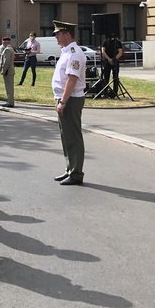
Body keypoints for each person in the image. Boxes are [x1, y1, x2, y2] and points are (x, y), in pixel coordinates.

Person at [52, 20, 87, 186]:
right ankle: (70, 169)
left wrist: (63, 101)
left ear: (67, 34)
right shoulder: (65, 51)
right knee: (66, 136)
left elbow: (72, 80)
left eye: (58, 34)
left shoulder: (75, 53)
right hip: (64, 98)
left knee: (73, 136)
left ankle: (76, 173)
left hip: (71, 99)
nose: (56, 37)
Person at [100, 34, 124, 98]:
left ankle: (114, 92)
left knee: (115, 77)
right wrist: (109, 59)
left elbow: (120, 52)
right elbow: (103, 51)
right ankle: (105, 92)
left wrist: (114, 59)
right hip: (107, 62)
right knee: (106, 77)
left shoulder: (117, 42)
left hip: (115, 62)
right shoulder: (105, 42)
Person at [0, 36, 15, 107]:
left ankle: (10, 102)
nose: (3, 43)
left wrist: (3, 70)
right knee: (9, 87)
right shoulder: (11, 49)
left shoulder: (7, 50)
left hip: (8, 71)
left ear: (6, 42)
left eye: (3, 42)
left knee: (9, 88)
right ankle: (9, 101)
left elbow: (6, 62)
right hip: (10, 70)